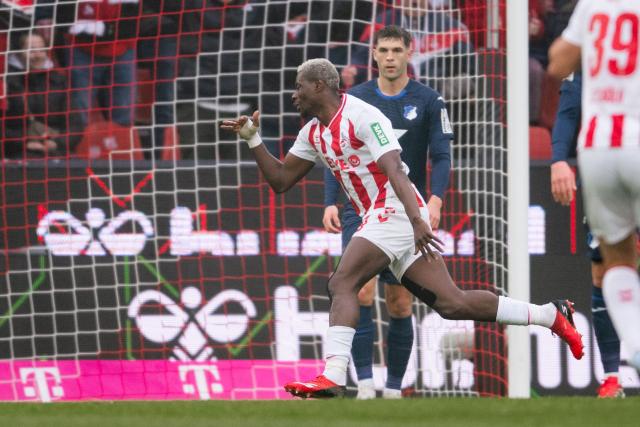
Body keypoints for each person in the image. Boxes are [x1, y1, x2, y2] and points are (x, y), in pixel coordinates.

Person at [221, 57, 583, 399]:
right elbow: (282, 180)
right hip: (381, 216)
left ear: (319, 85)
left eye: (299, 86)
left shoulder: (363, 115)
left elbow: (395, 168)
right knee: (451, 304)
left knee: (341, 282)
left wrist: (416, 220)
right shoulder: (312, 133)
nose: (293, 94)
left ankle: (333, 376)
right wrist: (253, 139)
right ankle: (550, 314)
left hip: (395, 208)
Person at [322, 25, 452, 399]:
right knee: (359, 290)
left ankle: (393, 390)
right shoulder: (354, 99)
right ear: (374, 55)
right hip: (359, 208)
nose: (391, 56)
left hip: (405, 210)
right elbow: (336, 154)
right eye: (384, 50)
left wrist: (437, 198)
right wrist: (331, 200)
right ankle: (364, 386)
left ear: (410, 52)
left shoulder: (429, 100)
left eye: (397, 49)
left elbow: (441, 155)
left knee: (400, 300)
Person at [548, 0, 640, 373]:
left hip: (598, 149)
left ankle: (634, 345)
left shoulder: (594, 6)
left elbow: (556, 63)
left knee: (616, 259)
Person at [550, 71, 624, 398]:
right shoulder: (585, 67)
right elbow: (567, 115)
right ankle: (612, 378)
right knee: (602, 274)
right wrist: (558, 161)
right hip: (605, 177)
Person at [35, 0, 140, 128]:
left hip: (123, 46)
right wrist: (45, 14)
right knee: (79, 109)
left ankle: (122, 144)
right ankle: (76, 144)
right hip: (81, 46)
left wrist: (106, 29)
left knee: (123, 110)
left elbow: (136, 15)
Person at [3, 32, 84, 158]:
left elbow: (76, 123)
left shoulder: (59, 81)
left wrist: (56, 143)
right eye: (31, 50)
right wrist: (25, 143)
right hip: (17, 152)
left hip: (57, 150)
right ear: (18, 53)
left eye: (41, 49)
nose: (37, 55)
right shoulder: (6, 83)